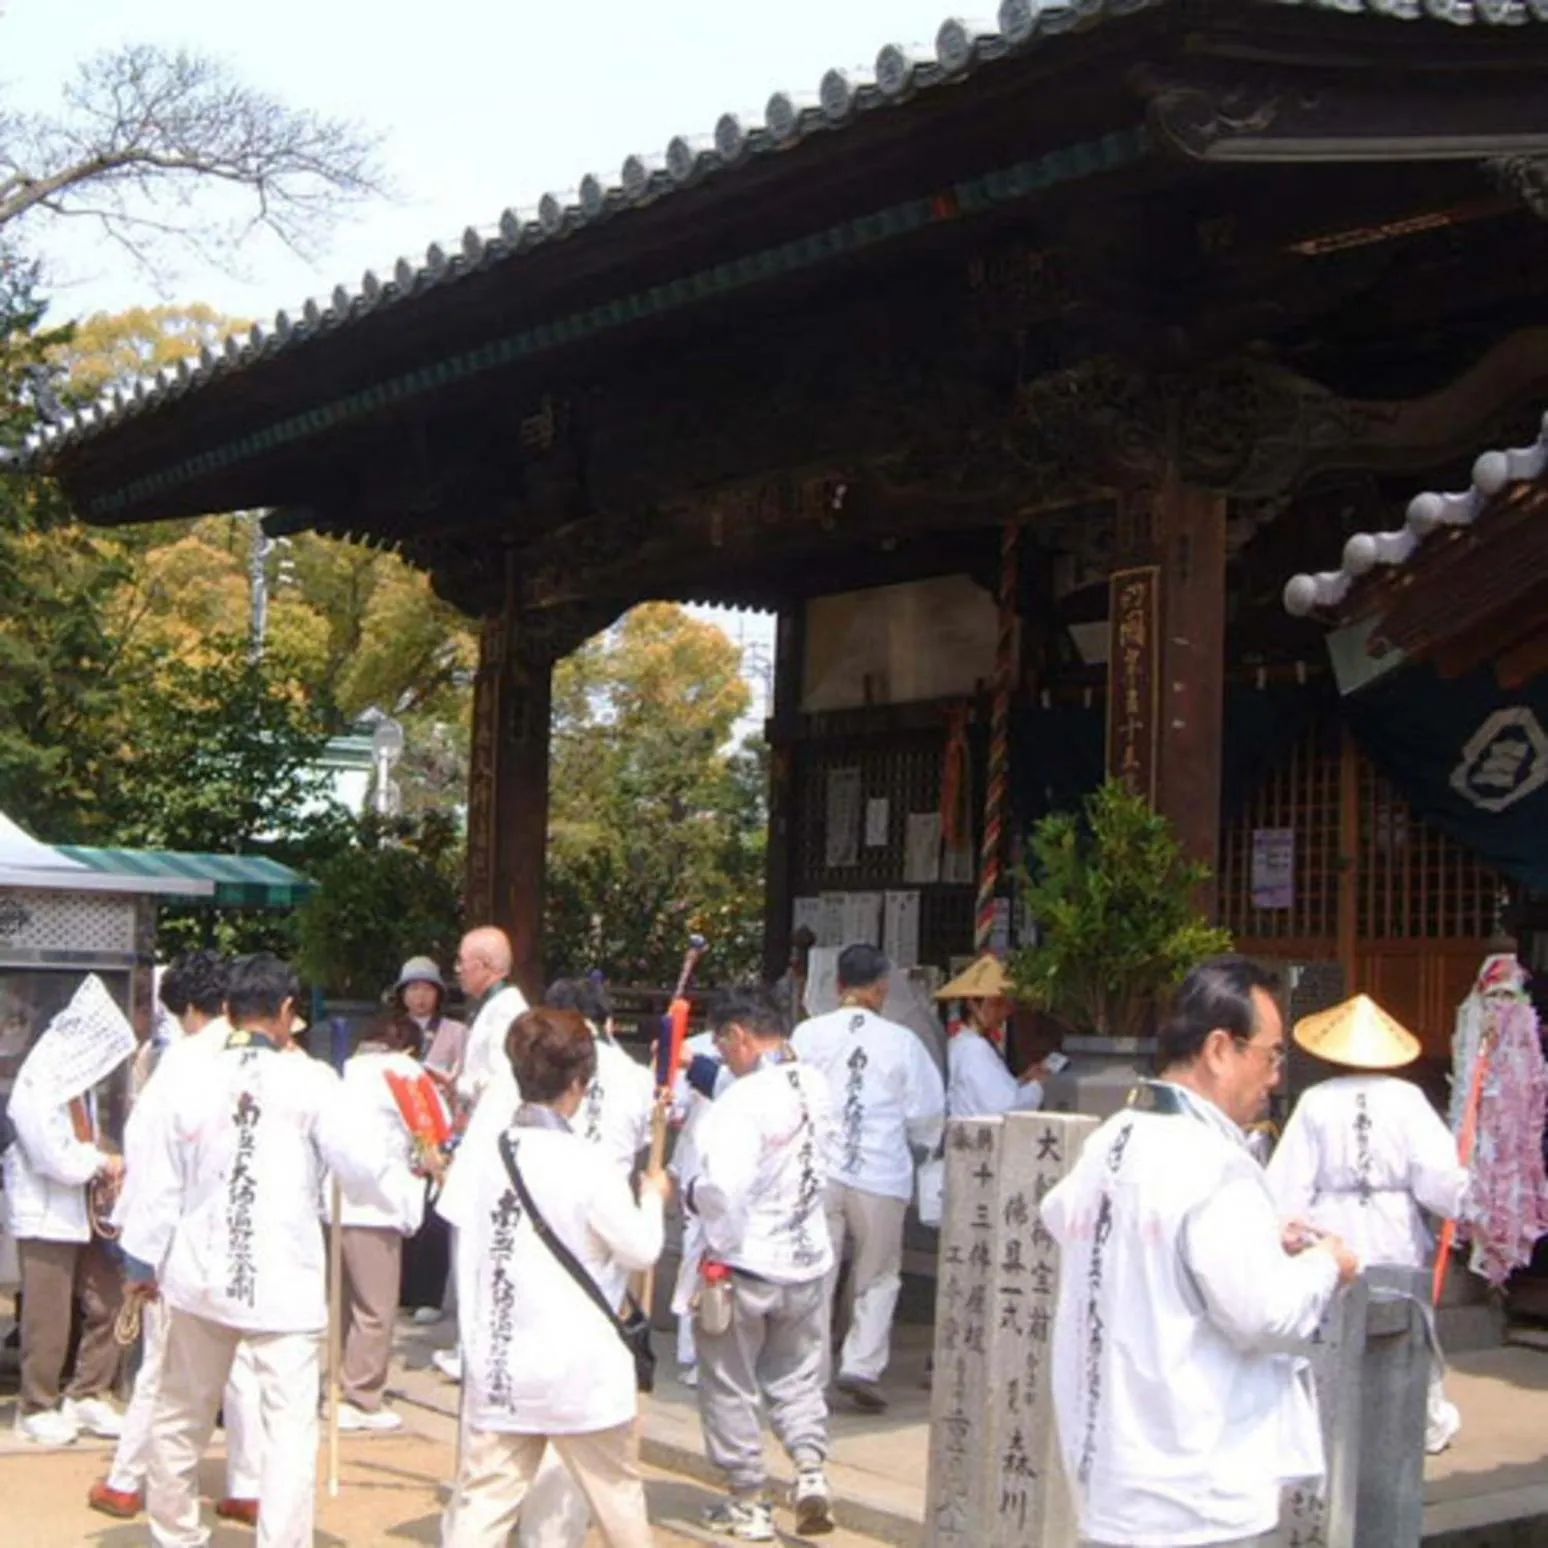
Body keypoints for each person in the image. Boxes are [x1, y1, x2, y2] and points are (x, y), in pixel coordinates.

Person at [1041, 956, 1359, 1548]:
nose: (1275, 1078)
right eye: (1270, 1055)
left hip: (1114, 1475)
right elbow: (1262, 1314)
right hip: (1195, 1489)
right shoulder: (1211, 1163)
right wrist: (1325, 1265)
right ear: (1220, 1049)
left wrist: (1261, 1235)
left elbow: (1064, 1216)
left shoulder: (1114, 1139)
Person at [121, 953, 396, 1548]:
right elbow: (366, 1165)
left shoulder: (187, 1076)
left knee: (180, 1414)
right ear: (287, 1013)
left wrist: (141, 1259)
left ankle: (174, 1534)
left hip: (200, 1271)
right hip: (283, 1281)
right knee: (289, 1429)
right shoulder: (312, 1081)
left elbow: (156, 1178)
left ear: (226, 1011)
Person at [437, 1007, 667, 1548]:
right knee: (618, 1500)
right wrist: (653, 1198)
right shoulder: (589, 1164)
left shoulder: (486, 1158)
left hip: (504, 1362)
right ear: (580, 1084)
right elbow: (642, 1249)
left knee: (484, 1503)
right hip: (581, 1368)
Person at [90, 953, 263, 1525]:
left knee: (163, 1366)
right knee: (240, 1366)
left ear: (187, 1008)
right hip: (244, 1236)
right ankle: (248, 1482)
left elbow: (154, 1162)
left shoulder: (179, 1066)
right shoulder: (261, 1059)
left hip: (183, 1240)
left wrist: (140, 1254)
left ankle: (127, 1479)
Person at [1266, 992, 1470, 1454]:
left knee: (1332, 1326)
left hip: (1331, 1228)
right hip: (1394, 1228)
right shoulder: (1409, 1099)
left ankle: (1329, 1421)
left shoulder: (1316, 1100)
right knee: (1404, 1326)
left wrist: (1288, 1227)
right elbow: (1436, 1179)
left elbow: (1289, 1182)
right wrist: (1470, 1200)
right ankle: (1413, 1421)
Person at [686, 986, 836, 1542]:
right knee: (798, 1379)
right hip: (807, 1256)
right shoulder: (815, 1084)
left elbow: (721, 1188)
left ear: (739, 1036)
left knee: (729, 1383)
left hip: (746, 1260)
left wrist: (705, 1226)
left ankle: (749, 1499)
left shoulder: (743, 1103)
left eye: (722, 1044)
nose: (721, 1055)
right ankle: (810, 1468)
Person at [792, 943, 944, 1411]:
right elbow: (927, 1113)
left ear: (838, 985)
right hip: (880, 1173)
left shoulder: (807, 1034)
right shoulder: (902, 1042)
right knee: (877, 1274)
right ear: (881, 987)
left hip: (819, 1169)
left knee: (817, 1270)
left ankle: (808, 1374)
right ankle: (861, 1362)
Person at [3, 973, 131, 1446]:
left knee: (111, 1300)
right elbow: (52, 1155)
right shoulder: (41, 1079)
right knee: (48, 1314)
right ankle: (36, 1405)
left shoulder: (79, 1083)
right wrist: (102, 1161)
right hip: (48, 1212)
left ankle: (89, 1393)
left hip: (88, 1210)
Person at [326, 1013, 441, 1433]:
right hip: (376, 1202)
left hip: (334, 1200)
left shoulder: (343, 1072)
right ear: (410, 1047)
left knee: (340, 1302)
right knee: (375, 1307)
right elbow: (433, 1126)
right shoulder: (404, 1073)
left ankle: (334, 1386)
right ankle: (361, 1394)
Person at [435, 926, 529, 1382]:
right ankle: (468, 1341)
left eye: (462, 962)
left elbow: (501, 1079)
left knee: (478, 1247)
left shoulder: (509, 1011)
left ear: (486, 966)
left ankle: (476, 1345)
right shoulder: (494, 1007)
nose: (457, 971)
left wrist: (462, 1085)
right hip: (477, 1130)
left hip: (492, 1136)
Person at [392, 956, 464, 1325]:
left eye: (426, 989)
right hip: (399, 1133)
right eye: (413, 989)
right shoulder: (390, 1029)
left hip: (440, 1130)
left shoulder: (455, 1032)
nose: (419, 996)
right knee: (401, 1212)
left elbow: (465, 1078)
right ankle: (401, 1290)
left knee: (435, 1215)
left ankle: (429, 1294)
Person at [935, 953, 1049, 1118]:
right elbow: (1003, 1106)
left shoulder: (966, 1043)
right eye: (996, 1004)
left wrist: (1023, 1081)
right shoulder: (974, 1048)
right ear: (973, 1005)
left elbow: (992, 1092)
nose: (1002, 1013)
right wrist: (1037, 1086)